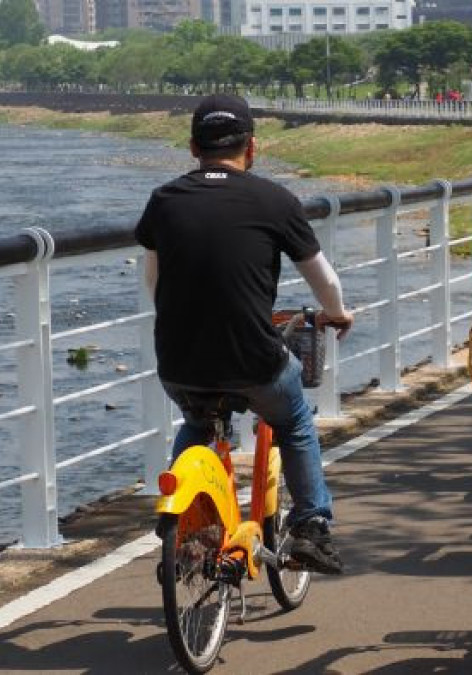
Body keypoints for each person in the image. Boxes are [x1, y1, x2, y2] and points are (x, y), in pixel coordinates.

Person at [135, 95, 354, 575]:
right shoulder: (274, 200)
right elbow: (326, 282)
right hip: (254, 360)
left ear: (193, 147)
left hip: (179, 360)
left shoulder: (164, 201)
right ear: (252, 147)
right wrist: (337, 314)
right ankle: (312, 525)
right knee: (294, 419)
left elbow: (152, 281)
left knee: (197, 422)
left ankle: (187, 527)